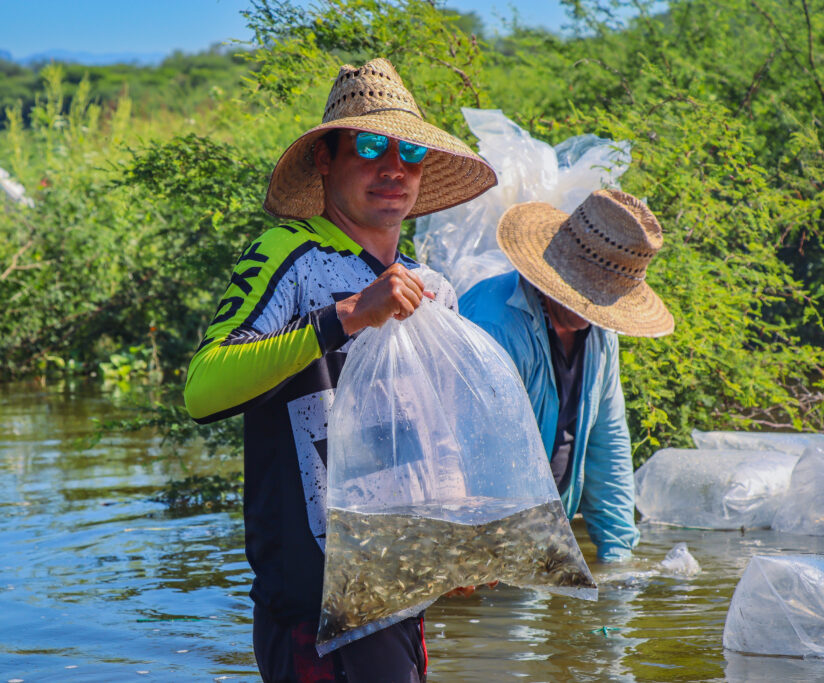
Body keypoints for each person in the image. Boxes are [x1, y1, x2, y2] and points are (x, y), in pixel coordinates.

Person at [183, 58, 495, 682]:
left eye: (409, 152)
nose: (393, 168)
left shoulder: (430, 286)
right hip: (312, 604)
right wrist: (346, 316)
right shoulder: (289, 256)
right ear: (325, 159)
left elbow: (435, 432)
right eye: (372, 145)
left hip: (398, 587)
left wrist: (460, 537)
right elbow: (203, 386)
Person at [460, 190, 674, 563]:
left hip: (541, 529)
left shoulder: (600, 335)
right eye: (585, 293)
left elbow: (608, 444)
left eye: (603, 299)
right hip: (486, 535)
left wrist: (618, 555)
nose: (592, 308)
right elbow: (486, 459)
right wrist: (522, 564)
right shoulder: (498, 325)